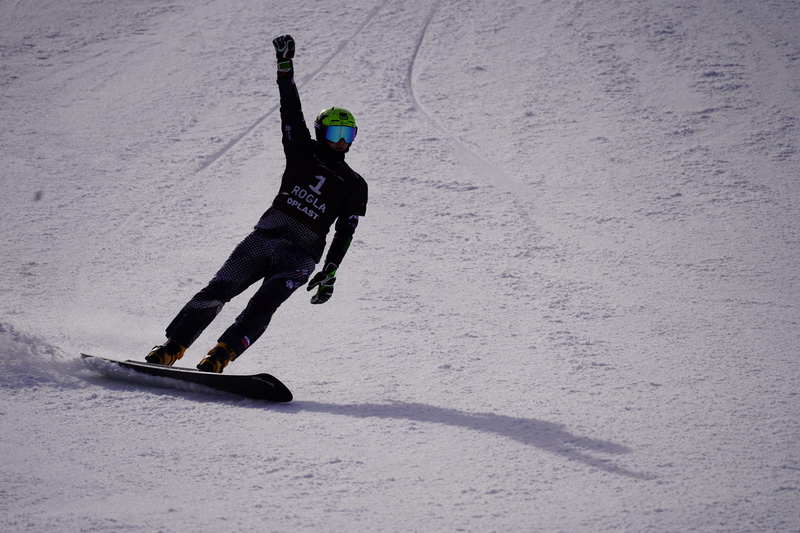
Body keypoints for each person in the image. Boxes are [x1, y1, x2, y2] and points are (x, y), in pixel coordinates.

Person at [145, 35, 368, 373]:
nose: (340, 143)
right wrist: (284, 68)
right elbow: (290, 110)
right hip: (264, 239)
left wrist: (331, 269)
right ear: (320, 133)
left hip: (301, 256)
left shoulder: (354, 184)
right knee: (219, 289)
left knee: (263, 305)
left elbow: (345, 232)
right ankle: (172, 347)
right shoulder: (301, 149)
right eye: (334, 134)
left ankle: (221, 355)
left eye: (347, 136)